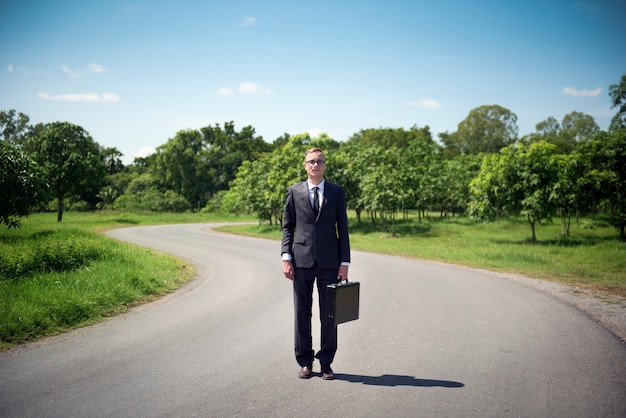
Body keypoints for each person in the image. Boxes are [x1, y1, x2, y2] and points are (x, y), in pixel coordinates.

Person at [281, 147, 351, 380]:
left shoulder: (336, 192)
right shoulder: (294, 191)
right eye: (311, 162)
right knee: (302, 313)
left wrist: (344, 262)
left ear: (325, 165)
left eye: (319, 161)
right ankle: (305, 361)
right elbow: (288, 227)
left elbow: (343, 228)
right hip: (300, 262)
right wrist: (286, 257)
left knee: (329, 315)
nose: (315, 165)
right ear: (304, 165)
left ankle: (326, 362)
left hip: (330, 263)